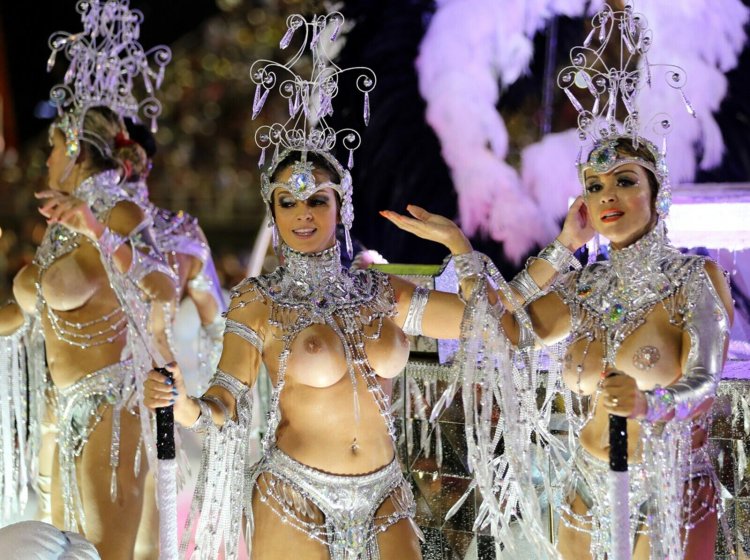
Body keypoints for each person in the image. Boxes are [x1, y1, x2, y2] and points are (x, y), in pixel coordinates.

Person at [382, 135, 733, 559]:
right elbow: (500, 329)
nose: (608, 196)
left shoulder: (692, 278)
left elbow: (704, 384)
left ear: (658, 195)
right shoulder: (587, 285)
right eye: (594, 186)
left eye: (625, 181)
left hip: (669, 486)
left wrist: (647, 403)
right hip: (585, 485)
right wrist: (463, 247)